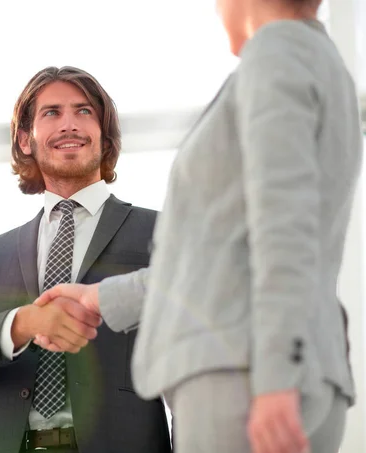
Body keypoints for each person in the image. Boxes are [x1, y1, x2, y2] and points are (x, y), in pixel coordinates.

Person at [34, 1, 361, 452]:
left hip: (243, 376)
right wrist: (101, 299)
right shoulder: (324, 65)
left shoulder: (274, 54)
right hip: (294, 368)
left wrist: (275, 376)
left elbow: (284, 229)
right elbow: (231, 258)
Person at [0, 67, 172, 453]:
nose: (70, 125)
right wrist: (19, 324)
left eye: (84, 112)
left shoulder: (160, 231)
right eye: (52, 113)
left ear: (104, 139)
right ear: (26, 139)